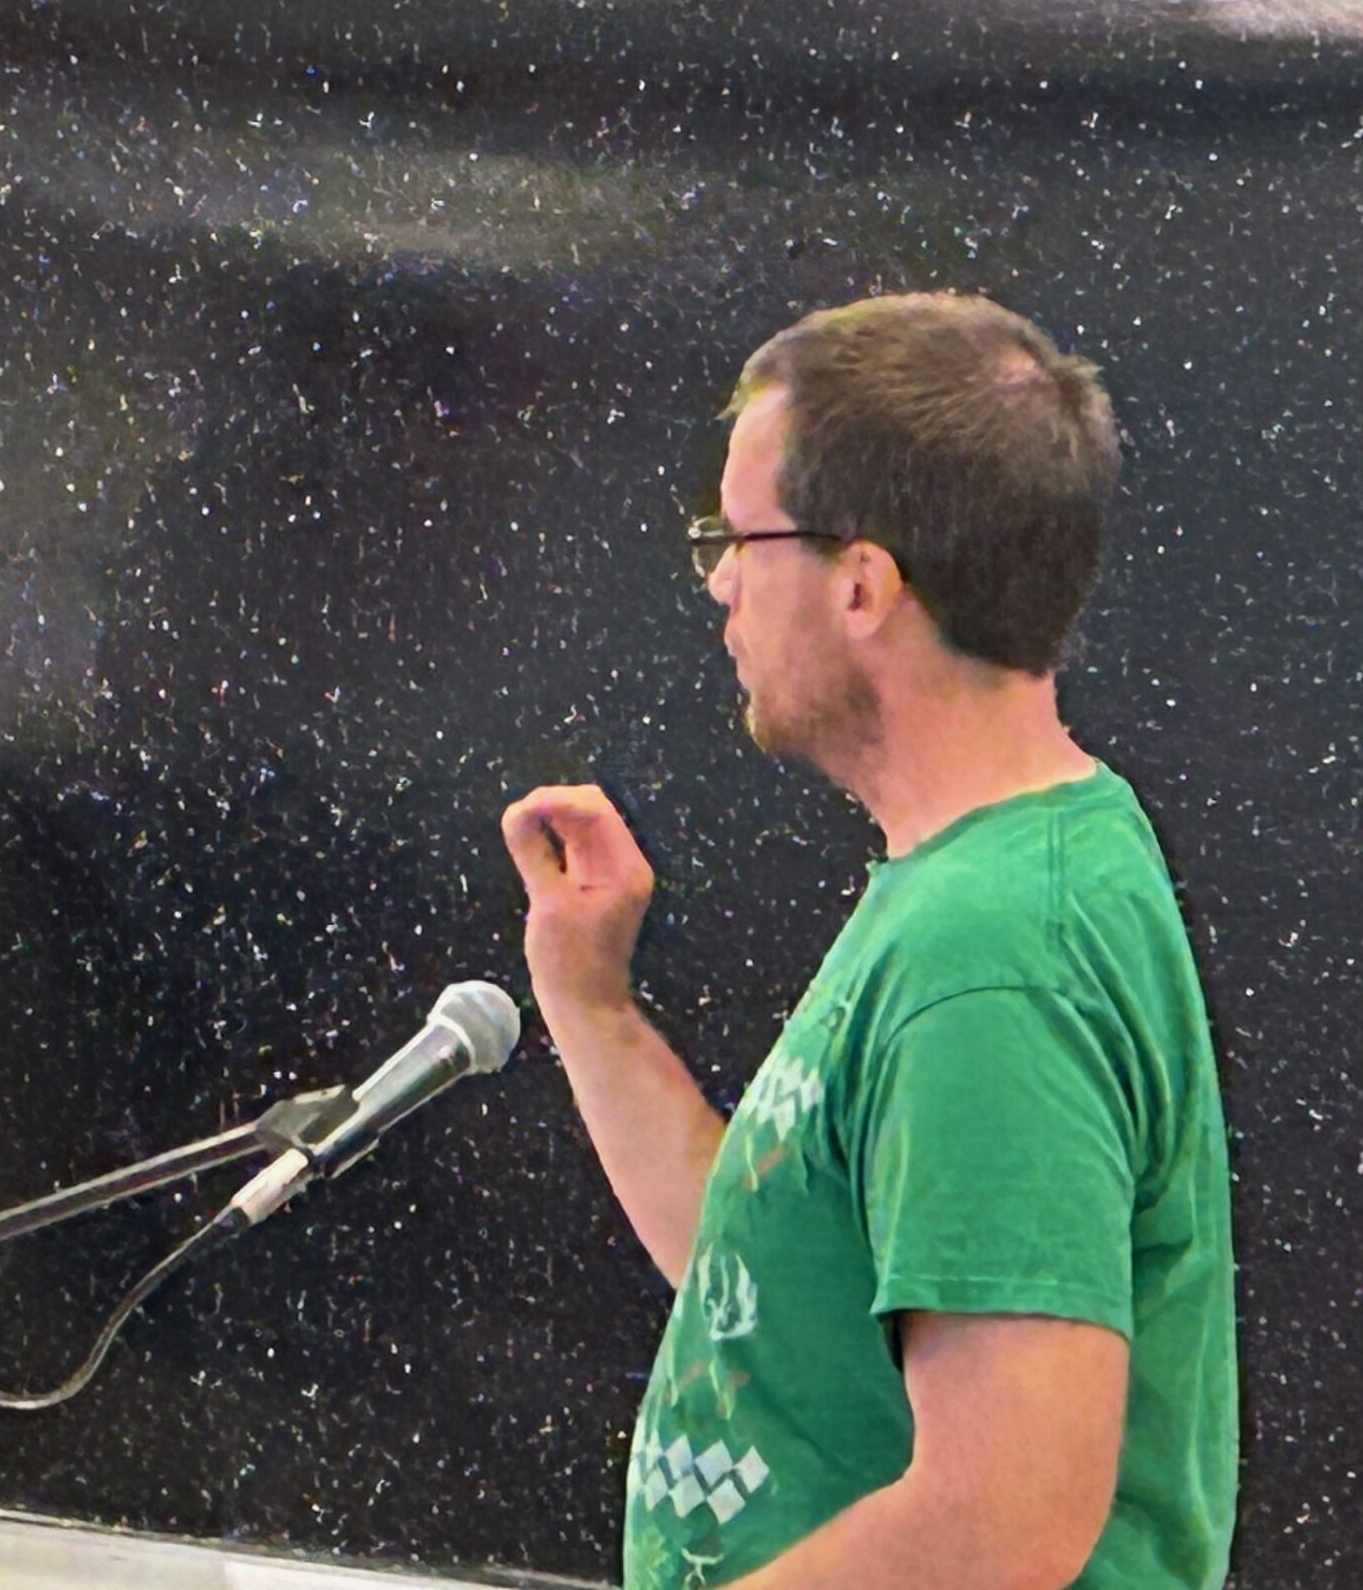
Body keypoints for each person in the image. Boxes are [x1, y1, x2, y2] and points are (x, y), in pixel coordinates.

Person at [502, 294, 1236, 1589]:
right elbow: (773, 1293)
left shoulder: (996, 957)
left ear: (860, 584)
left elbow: (1006, 1517)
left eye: (740, 537)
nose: (719, 579)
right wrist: (590, 1003)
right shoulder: (979, 880)